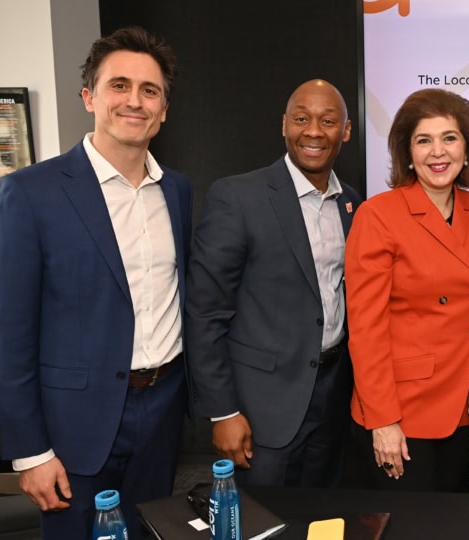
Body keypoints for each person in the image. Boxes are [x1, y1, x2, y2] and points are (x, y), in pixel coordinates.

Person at [0, 27, 191, 538]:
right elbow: (6, 339)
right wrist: (30, 452)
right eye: (119, 85)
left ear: (164, 109)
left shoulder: (179, 192)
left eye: (150, 91)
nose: (134, 102)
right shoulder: (29, 194)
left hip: (163, 414)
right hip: (73, 428)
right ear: (89, 96)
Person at [185, 79, 361, 487]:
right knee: (264, 522)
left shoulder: (353, 203)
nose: (313, 131)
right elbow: (205, 312)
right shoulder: (238, 197)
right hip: (262, 407)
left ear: (346, 131)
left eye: (328, 121)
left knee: (324, 517)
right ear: (284, 125)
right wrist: (223, 411)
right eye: (301, 118)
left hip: (335, 396)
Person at [345, 88, 469, 491]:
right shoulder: (379, 215)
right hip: (406, 410)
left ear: (466, 150)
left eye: (449, 138)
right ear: (407, 153)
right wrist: (383, 420)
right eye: (423, 140)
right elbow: (366, 329)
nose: (437, 152)